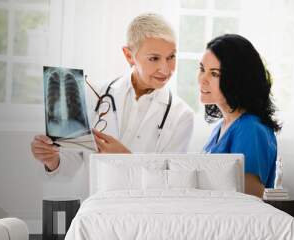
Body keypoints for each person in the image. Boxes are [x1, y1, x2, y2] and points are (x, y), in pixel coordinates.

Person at [31, 13, 194, 187]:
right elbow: (71, 165)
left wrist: (126, 159)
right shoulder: (93, 94)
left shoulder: (181, 115)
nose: (165, 68)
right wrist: (52, 159)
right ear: (129, 55)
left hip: (142, 210)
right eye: (154, 58)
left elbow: (171, 183)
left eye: (171, 57)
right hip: (96, 204)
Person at [198, 34, 281, 198]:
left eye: (214, 74)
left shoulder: (250, 129)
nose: (202, 80)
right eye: (202, 69)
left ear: (238, 79)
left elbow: (248, 199)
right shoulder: (221, 127)